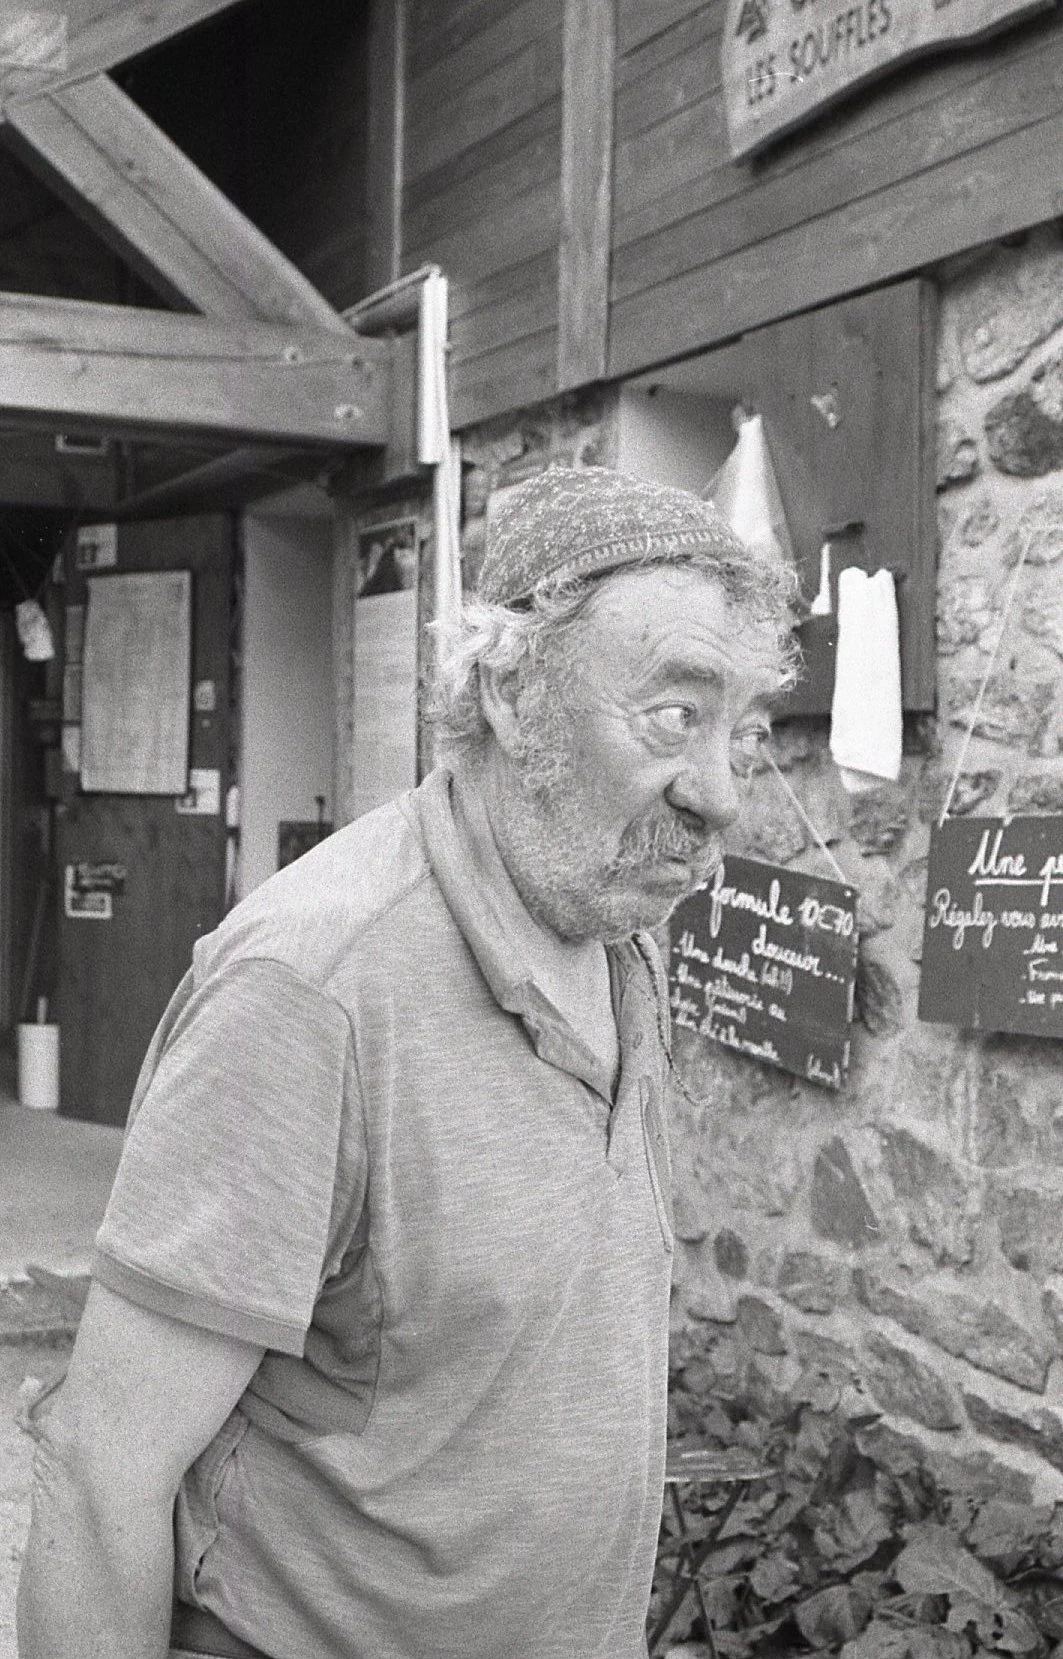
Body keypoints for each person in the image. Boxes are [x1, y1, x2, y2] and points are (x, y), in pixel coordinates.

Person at [17, 465, 797, 1659]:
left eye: (744, 731)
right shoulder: (311, 992)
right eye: (672, 715)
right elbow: (98, 1474)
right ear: (506, 689)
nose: (722, 797)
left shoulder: (617, 939)